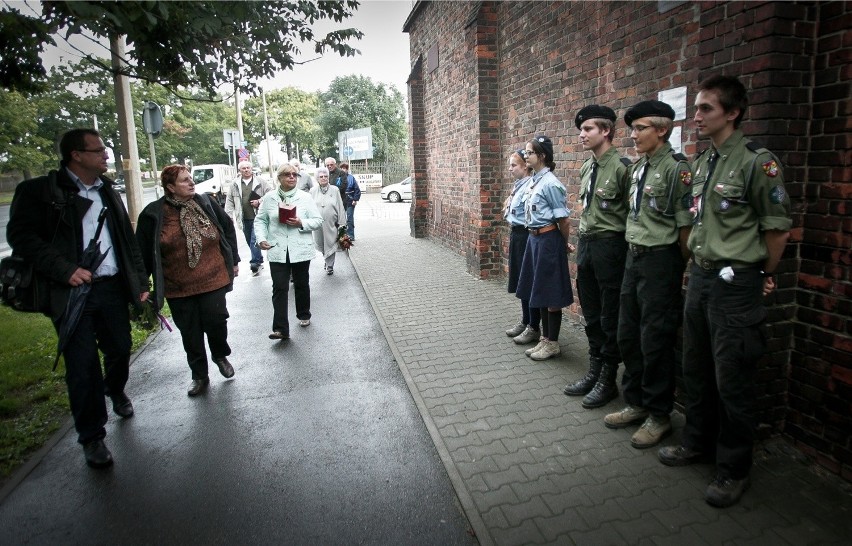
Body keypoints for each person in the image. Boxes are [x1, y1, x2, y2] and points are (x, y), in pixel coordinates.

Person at [658, 76, 791, 508]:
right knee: (695, 366)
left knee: (732, 377)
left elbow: (777, 228)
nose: (696, 117)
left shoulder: (758, 162)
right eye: (695, 108)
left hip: (737, 283)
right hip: (700, 276)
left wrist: (762, 271)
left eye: (706, 109)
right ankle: (696, 442)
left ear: (732, 112)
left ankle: (733, 467)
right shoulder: (704, 162)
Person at [6, 128, 149, 469]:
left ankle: (114, 389)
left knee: (119, 346)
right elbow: (21, 236)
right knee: (82, 364)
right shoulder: (41, 191)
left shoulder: (107, 191)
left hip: (111, 287)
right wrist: (63, 269)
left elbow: (126, 241)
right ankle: (92, 436)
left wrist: (140, 281)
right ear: (76, 155)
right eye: (98, 150)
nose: (105, 155)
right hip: (71, 292)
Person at [604, 101, 693, 450]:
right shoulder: (639, 167)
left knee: (655, 340)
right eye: (633, 128)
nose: (633, 135)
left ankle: (659, 415)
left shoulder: (677, 169)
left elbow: (686, 229)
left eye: (640, 128)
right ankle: (637, 402)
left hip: (661, 261)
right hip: (634, 257)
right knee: (629, 334)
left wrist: (674, 265)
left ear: (662, 129)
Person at [136, 165, 241, 397]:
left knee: (216, 320)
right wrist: (142, 284)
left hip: (213, 278)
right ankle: (199, 376)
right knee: (190, 332)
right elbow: (141, 252)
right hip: (178, 286)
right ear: (170, 187)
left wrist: (234, 259)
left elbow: (227, 227)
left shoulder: (206, 203)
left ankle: (219, 354)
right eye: (185, 181)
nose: (191, 183)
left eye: (191, 179)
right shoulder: (153, 214)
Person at [563, 105, 632, 409]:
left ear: (606, 131)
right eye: (581, 129)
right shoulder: (588, 167)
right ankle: (594, 369)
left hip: (611, 247)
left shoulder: (622, 168)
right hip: (588, 244)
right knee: (590, 310)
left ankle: (608, 377)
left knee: (609, 314)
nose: (582, 134)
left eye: (588, 129)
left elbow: (633, 216)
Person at [515, 135, 575, 361]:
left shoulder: (551, 183)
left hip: (548, 239)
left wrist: (561, 242)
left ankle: (553, 343)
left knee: (550, 292)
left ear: (542, 156)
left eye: (530, 152)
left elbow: (564, 220)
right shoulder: (534, 181)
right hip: (534, 239)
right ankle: (544, 339)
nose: (526, 155)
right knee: (537, 290)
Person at [255, 163, 323, 340]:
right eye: (287, 174)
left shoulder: (305, 198)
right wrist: (261, 239)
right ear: (279, 178)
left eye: (295, 174)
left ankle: (303, 314)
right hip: (277, 249)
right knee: (279, 287)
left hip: (299, 248)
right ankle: (280, 329)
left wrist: (301, 223)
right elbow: (260, 221)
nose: (292, 177)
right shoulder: (269, 198)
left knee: (301, 284)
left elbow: (317, 220)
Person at [503, 149, 540, 345]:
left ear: (525, 166)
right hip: (517, 234)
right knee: (520, 281)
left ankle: (533, 325)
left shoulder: (530, 186)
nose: (510, 169)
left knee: (528, 281)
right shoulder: (518, 186)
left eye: (514, 165)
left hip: (526, 235)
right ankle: (526, 320)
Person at [225, 160, 272, 275]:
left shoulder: (260, 182)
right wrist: (228, 216)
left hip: (258, 216)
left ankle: (254, 262)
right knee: (248, 239)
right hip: (243, 217)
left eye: (248, 168)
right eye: (243, 168)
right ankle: (259, 258)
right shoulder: (235, 184)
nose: (246, 170)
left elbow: (270, 194)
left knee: (254, 240)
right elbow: (230, 200)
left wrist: (259, 201)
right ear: (239, 170)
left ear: (251, 169)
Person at [309, 167, 346, 275]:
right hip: (318, 224)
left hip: (331, 224)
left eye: (326, 176)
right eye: (321, 177)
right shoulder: (313, 191)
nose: (324, 178)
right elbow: (309, 207)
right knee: (321, 243)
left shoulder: (335, 189)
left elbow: (340, 206)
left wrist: (342, 224)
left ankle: (330, 266)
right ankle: (326, 259)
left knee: (330, 242)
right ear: (317, 179)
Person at [337, 162, 362, 240]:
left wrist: (355, 199)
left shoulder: (351, 178)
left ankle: (350, 235)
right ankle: (341, 236)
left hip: (350, 200)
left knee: (350, 218)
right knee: (340, 219)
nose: (343, 170)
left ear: (347, 169)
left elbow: (357, 189)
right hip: (340, 200)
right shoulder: (338, 178)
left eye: (344, 168)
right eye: (341, 168)